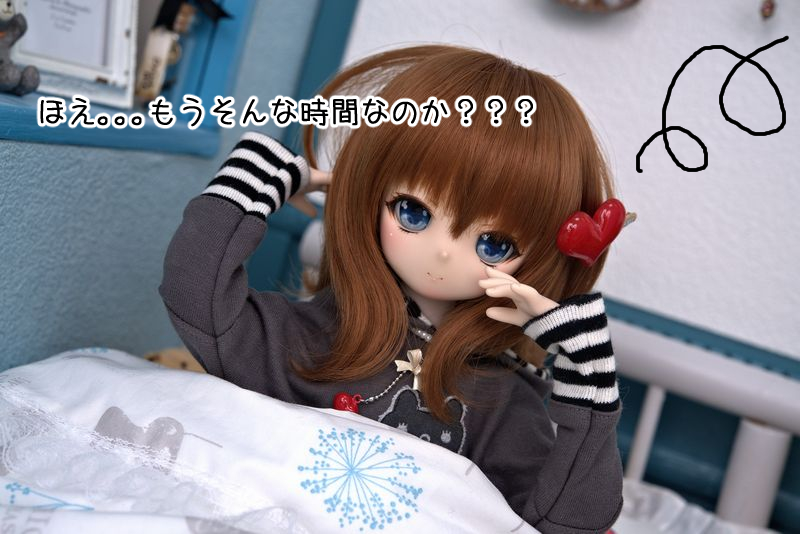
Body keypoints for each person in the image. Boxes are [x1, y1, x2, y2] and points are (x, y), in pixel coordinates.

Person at [160, 44, 624, 533]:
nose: (442, 253)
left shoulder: (501, 402)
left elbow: (567, 523)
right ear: (370, 192)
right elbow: (194, 297)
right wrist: (251, 183)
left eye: (494, 244)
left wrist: (588, 372)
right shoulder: (317, 337)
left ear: (540, 258)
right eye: (413, 212)